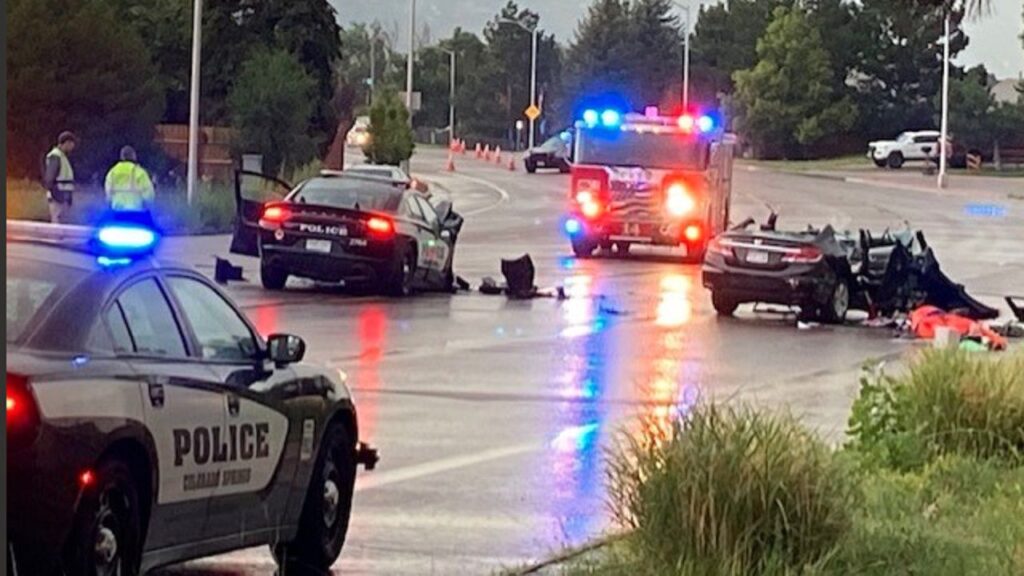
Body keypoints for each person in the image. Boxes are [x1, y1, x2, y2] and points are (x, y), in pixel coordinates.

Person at [104, 145, 155, 213]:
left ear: (122, 157)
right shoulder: (139, 172)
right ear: (134, 156)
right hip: (135, 211)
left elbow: (108, 194)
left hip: (117, 211)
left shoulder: (112, 172)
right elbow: (149, 195)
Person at [42, 131, 77, 223]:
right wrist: (57, 195)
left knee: (62, 224)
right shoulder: (55, 156)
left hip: (62, 196)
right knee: (57, 223)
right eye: (71, 144)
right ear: (66, 143)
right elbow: (49, 179)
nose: (72, 147)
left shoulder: (61, 156)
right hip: (58, 196)